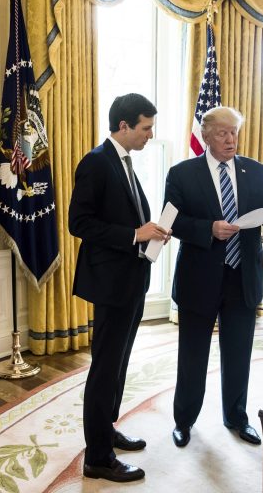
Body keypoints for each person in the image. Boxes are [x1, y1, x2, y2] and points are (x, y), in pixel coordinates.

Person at [164, 106, 263, 449]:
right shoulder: (182, 173)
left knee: (238, 354)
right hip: (199, 279)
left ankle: (237, 417)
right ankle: (184, 421)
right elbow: (171, 222)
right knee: (193, 356)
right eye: (222, 133)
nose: (231, 139)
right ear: (206, 136)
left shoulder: (256, 170)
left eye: (234, 132)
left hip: (242, 278)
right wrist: (208, 228)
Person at [68, 93, 171, 483]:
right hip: (110, 283)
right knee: (105, 367)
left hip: (131, 279)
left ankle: (105, 430)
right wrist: (134, 233)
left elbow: (128, 217)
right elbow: (79, 223)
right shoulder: (96, 163)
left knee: (119, 364)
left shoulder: (124, 162)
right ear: (124, 126)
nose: (150, 135)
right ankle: (97, 457)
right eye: (146, 128)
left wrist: (152, 232)